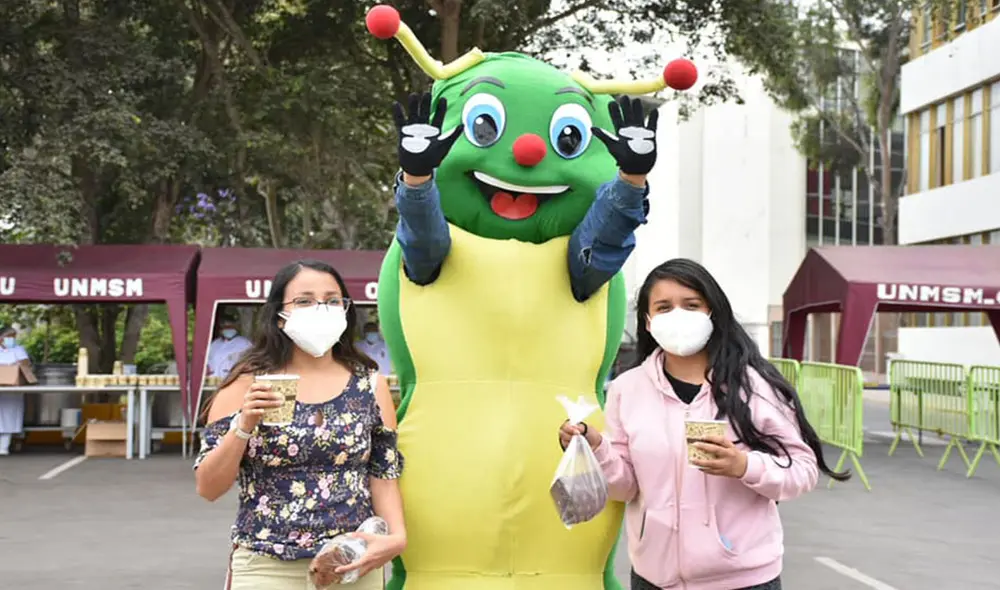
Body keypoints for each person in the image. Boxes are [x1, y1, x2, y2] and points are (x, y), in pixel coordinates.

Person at [558, 258, 849, 590]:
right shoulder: (628, 388)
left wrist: (744, 466)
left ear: (712, 312)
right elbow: (626, 486)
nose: (677, 315)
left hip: (744, 580)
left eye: (691, 305)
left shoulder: (753, 385)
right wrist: (597, 449)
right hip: (654, 579)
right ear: (648, 321)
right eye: (664, 307)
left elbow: (802, 470)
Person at [194, 260, 406, 590]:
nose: (321, 309)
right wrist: (244, 424)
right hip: (265, 564)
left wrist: (396, 538)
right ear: (279, 315)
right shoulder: (246, 385)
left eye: (333, 300)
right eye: (304, 301)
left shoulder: (370, 386)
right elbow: (209, 487)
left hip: (351, 561)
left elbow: (383, 477)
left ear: (346, 310)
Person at [0, 326, 29, 456]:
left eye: (13, 337)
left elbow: (25, 364)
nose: (12, 339)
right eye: (9, 337)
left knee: (9, 418)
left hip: (13, 390)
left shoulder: (18, 350)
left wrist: (17, 365)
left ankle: (4, 447)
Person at [207, 311, 253, 378]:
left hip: (234, 382)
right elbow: (207, 363)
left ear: (236, 327)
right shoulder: (214, 344)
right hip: (214, 382)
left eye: (230, 326)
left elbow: (250, 364)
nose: (228, 328)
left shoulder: (245, 344)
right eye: (225, 327)